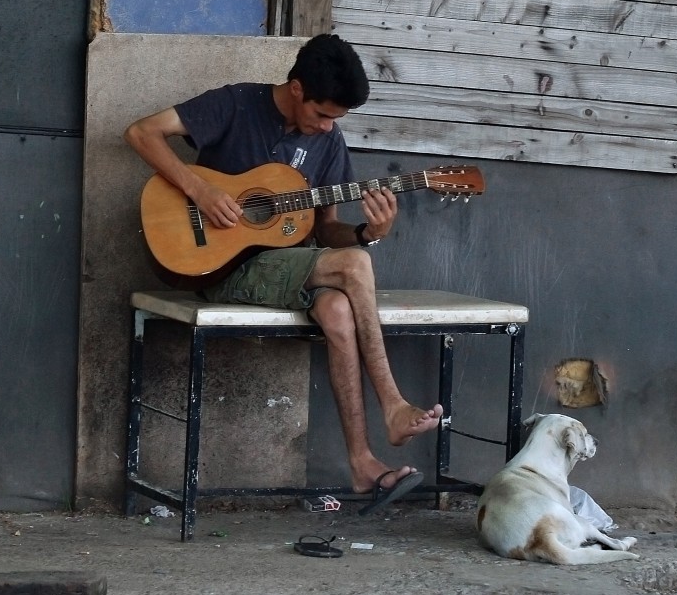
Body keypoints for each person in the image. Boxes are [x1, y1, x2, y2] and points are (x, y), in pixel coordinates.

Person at [124, 33, 442, 501]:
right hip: (222, 269)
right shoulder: (234, 104)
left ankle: (362, 466)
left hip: (292, 269)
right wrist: (200, 190)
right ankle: (393, 405)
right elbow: (140, 132)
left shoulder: (328, 141)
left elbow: (327, 228)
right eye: (321, 115)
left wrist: (367, 234)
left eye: (338, 119)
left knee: (337, 309)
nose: (329, 128)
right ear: (296, 89)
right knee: (354, 267)